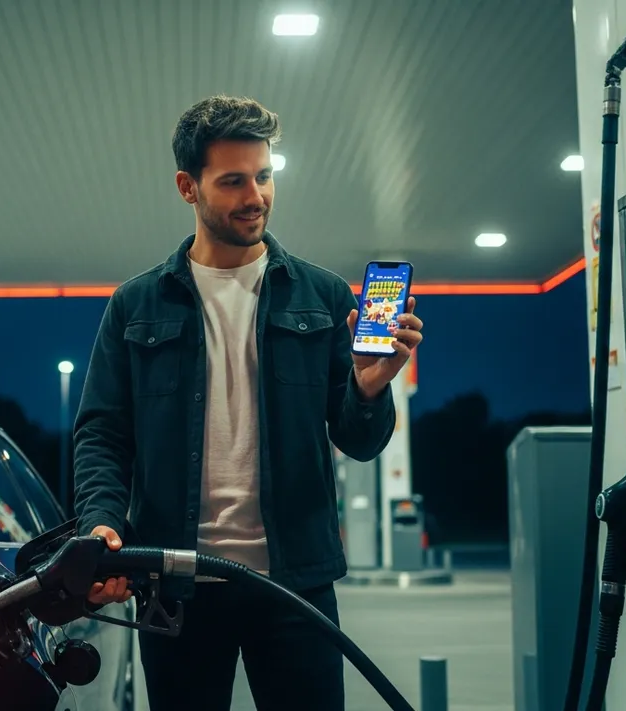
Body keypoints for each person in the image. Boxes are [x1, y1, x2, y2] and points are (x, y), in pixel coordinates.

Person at [70, 94, 423, 711]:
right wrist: (101, 519)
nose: (255, 195)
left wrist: (370, 386)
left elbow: (360, 442)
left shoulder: (322, 296)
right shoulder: (136, 306)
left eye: (263, 176)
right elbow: (103, 433)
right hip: (173, 585)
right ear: (188, 186)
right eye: (232, 181)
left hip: (296, 586)